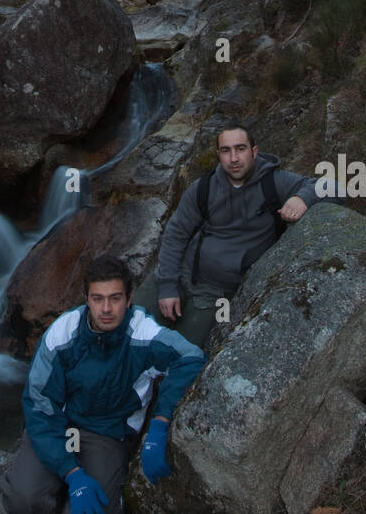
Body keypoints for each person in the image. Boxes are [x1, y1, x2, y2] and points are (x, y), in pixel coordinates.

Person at [1, 254, 204, 514]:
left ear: (129, 299)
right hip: (61, 425)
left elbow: (190, 357)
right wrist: (72, 474)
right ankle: (55, 501)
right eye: (97, 299)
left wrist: (160, 424)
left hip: (107, 434)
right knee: (22, 502)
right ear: (86, 299)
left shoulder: (143, 332)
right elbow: (39, 405)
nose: (106, 309)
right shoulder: (63, 333)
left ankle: (72, 497)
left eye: (115, 298)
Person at [134, 121, 321, 347]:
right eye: (226, 150)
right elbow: (176, 234)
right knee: (128, 325)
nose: (233, 158)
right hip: (181, 272)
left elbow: (333, 188)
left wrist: (302, 198)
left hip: (218, 295)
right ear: (218, 155)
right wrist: (167, 286)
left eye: (240, 149)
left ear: (254, 151)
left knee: (181, 353)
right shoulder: (204, 187)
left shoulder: (274, 182)